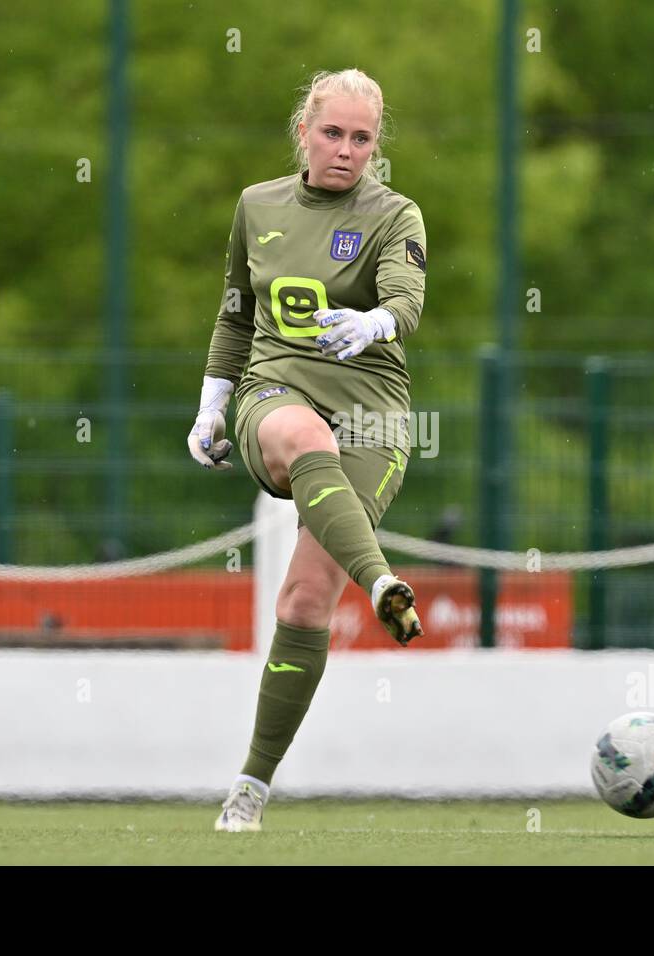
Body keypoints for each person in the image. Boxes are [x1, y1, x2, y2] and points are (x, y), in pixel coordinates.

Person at [188, 69, 428, 832]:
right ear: (304, 131)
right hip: (274, 393)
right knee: (302, 435)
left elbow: (408, 299)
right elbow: (235, 313)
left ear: (375, 144)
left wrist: (376, 324)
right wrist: (212, 404)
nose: (346, 150)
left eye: (362, 138)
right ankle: (383, 578)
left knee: (303, 602)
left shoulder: (395, 214)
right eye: (333, 133)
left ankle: (250, 790)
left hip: (374, 418)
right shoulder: (257, 205)